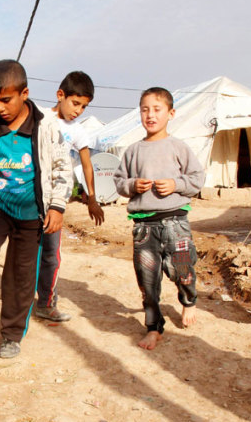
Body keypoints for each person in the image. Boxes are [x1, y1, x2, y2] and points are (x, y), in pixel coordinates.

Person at [0, 59, 72, 359]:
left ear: (24, 94)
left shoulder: (46, 125)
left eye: (6, 100)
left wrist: (57, 207)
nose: (0, 107)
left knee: (20, 273)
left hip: (31, 213)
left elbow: (62, 168)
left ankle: (11, 334)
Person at [113, 87, 205, 350]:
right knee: (147, 279)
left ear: (171, 113)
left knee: (183, 268)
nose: (150, 115)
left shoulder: (179, 147)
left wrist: (176, 184)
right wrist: (133, 185)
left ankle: (188, 300)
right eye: (145, 110)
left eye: (157, 109)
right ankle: (154, 328)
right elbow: (119, 182)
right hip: (144, 226)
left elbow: (197, 178)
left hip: (176, 222)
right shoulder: (133, 151)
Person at [36, 71, 105, 322]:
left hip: (55, 202)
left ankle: (45, 304)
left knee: (51, 255)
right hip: (30, 196)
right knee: (25, 254)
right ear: (60, 95)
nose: (78, 111)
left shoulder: (76, 131)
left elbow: (87, 164)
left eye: (84, 106)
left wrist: (92, 198)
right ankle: (18, 306)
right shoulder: (39, 117)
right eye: (75, 103)